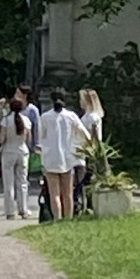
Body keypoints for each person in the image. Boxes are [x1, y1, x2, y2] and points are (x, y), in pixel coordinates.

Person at [36, 90, 89, 225]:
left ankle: (57, 219)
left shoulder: (45, 117)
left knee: (54, 194)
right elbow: (84, 133)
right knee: (68, 193)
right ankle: (68, 219)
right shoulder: (71, 116)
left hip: (51, 158)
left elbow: (41, 137)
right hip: (67, 157)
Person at [0, 90, 33, 222]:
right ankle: (23, 209)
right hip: (22, 151)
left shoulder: (6, 120)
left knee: (8, 183)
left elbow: (2, 138)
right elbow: (29, 139)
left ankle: (9, 211)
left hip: (9, 151)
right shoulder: (26, 120)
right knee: (23, 182)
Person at [75, 86, 105, 216]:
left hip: (90, 150)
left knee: (89, 178)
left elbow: (95, 137)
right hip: (84, 149)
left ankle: (90, 204)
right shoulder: (87, 116)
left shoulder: (92, 117)